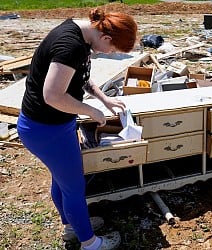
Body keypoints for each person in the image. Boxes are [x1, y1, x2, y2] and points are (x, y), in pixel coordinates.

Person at [17, 8, 137, 250]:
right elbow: (52, 95)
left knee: (62, 180)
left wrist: (104, 99)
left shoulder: (80, 35)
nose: (110, 53)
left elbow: (80, 76)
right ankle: (90, 243)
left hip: (52, 125)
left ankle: (73, 226)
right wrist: (90, 111)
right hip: (46, 130)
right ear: (105, 38)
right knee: (73, 187)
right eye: (112, 50)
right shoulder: (69, 46)